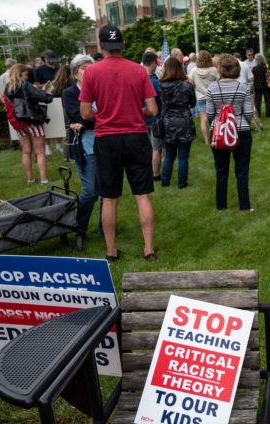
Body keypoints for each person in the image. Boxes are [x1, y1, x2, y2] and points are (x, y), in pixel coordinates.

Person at [79, 24, 159, 262]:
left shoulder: (91, 72)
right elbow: (153, 109)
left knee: (110, 197)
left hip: (107, 139)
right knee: (142, 195)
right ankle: (148, 249)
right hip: (136, 137)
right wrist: (134, 113)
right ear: (121, 45)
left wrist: (104, 115)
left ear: (101, 45)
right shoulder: (138, 71)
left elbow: (84, 113)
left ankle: (111, 251)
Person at [62, 54, 100, 251]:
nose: (88, 71)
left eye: (90, 67)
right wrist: (87, 121)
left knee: (106, 192)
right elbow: (79, 116)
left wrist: (86, 121)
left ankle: (104, 227)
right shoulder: (70, 94)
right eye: (84, 68)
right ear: (75, 73)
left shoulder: (99, 88)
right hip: (85, 147)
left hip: (105, 143)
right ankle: (79, 227)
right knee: (90, 192)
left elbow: (90, 118)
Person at [206, 54, 254, 211]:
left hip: (219, 131)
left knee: (221, 170)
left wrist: (220, 123)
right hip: (241, 130)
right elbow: (249, 113)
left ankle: (221, 206)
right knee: (242, 170)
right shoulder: (243, 88)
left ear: (219, 69)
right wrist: (239, 122)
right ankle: (244, 206)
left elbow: (210, 113)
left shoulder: (212, 88)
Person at [5, 64, 53, 184]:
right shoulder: (26, 85)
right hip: (33, 121)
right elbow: (45, 97)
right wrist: (49, 90)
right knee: (40, 151)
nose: (27, 77)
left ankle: (30, 179)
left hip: (19, 122)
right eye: (25, 74)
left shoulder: (8, 87)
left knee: (26, 151)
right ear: (20, 74)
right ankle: (44, 179)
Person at [159, 57, 196, 189]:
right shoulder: (187, 85)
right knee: (183, 156)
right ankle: (182, 183)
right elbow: (193, 103)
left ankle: (165, 181)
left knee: (169, 155)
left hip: (168, 122)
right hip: (184, 121)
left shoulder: (161, 85)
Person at [188, 50, 219, 146]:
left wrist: (195, 84)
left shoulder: (194, 70)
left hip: (200, 98)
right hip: (212, 97)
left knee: (203, 119)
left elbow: (190, 81)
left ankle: (206, 141)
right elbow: (219, 80)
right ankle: (215, 138)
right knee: (214, 118)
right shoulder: (213, 70)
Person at [142, 51, 164, 180]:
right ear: (152, 63)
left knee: (149, 148)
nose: (157, 65)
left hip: (142, 118)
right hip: (155, 119)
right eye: (156, 63)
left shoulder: (137, 77)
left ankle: (148, 171)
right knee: (157, 149)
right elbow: (160, 100)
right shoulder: (154, 82)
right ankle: (155, 174)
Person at [251, 54, 270, 118]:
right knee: (267, 101)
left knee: (258, 102)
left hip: (257, 86)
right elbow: (269, 75)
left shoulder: (254, 68)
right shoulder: (267, 66)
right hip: (266, 86)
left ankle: (258, 115)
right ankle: (268, 114)